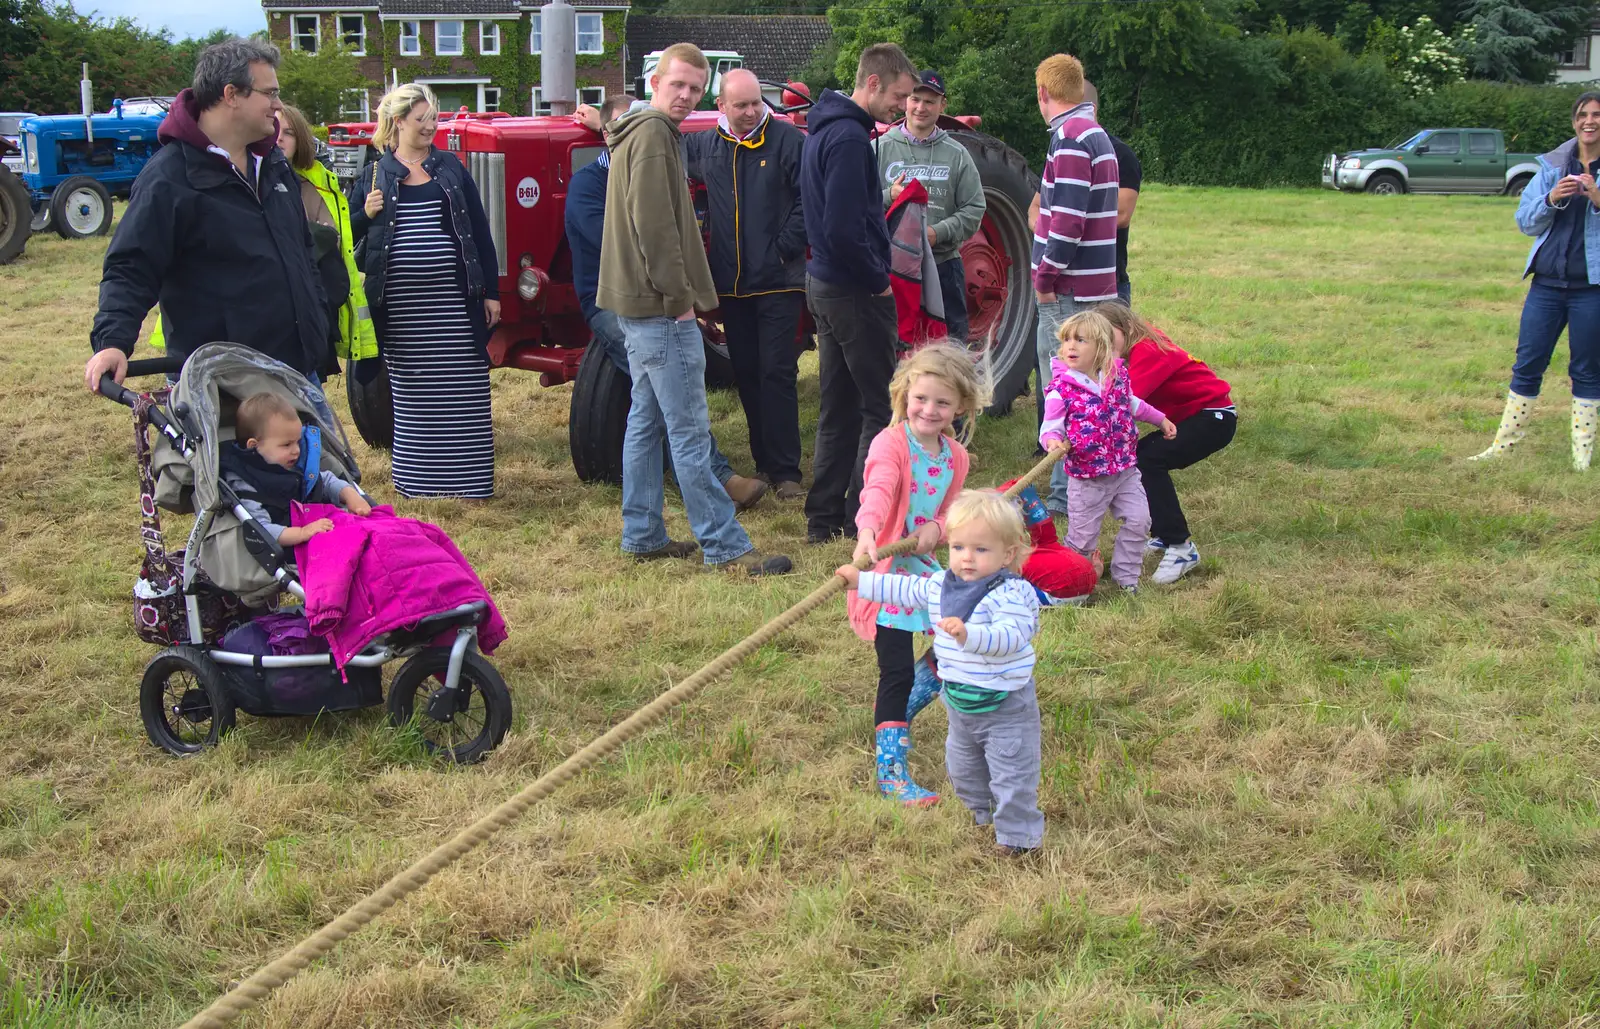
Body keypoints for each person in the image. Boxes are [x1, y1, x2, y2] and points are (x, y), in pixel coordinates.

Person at [597, 43, 791, 575]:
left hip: (633, 302)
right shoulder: (656, 134)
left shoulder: (631, 130)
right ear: (654, 81)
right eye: (677, 84)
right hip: (660, 306)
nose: (685, 95)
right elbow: (655, 228)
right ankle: (724, 544)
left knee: (647, 419)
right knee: (686, 426)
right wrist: (680, 300)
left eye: (694, 87)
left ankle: (642, 533)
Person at [84, 38, 329, 393]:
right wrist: (112, 341)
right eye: (270, 93)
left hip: (297, 373)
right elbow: (131, 267)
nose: (278, 105)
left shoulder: (274, 166)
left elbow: (304, 254)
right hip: (222, 384)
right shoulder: (169, 178)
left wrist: (316, 322)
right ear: (231, 94)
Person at [566, 97, 767, 511]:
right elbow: (626, 246)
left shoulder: (658, 165)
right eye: (624, 128)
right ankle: (718, 482)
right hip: (616, 300)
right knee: (672, 390)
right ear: (608, 136)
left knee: (653, 400)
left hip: (660, 297)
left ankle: (644, 522)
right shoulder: (589, 184)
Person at [838, 489, 1044, 857]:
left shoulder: (1010, 593)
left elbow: (1013, 637)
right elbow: (905, 588)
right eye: (958, 547)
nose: (967, 558)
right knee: (964, 768)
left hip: (1005, 706)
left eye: (981, 550)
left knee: (1012, 773)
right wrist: (861, 582)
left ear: (1007, 555)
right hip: (960, 704)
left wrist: (970, 635)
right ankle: (982, 816)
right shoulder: (942, 584)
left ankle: (1018, 839)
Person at [842, 343, 987, 805]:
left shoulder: (955, 457)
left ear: (960, 407)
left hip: (925, 573)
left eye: (942, 402)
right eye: (921, 398)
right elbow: (879, 489)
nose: (929, 409)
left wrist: (938, 528)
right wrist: (867, 532)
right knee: (897, 670)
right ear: (905, 394)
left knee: (957, 650)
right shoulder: (891, 443)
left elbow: (950, 514)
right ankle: (891, 770)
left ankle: (894, 715)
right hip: (887, 573)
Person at [350, 83, 501, 499]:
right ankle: (419, 482)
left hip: (454, 303)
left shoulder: (450, 167)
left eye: (434, 119)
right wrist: (366, 213)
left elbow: (480, 233)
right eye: (421, 121)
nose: (430, 127)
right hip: (402, 309)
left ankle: (471, 483)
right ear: (398, 122)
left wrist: (491, 292)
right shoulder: (374, 175)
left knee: (464, 388)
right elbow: (347, 234)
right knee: (416, 394)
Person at [800, 42, 920, 545]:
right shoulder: (849, 139)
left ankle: (823, 517)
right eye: (898, 95)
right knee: (881, 407)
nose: (901, 107)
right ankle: (862, 518)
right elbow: (845, 228)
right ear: (872, 83)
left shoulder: (824, 128)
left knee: (839, 406)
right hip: (852, 290)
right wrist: (877, 281)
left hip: (824, 284)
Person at [683, 69, 808, 500]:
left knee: (777, 371)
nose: (752, 110)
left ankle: (787, 470)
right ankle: (764, 464)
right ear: (721, 107)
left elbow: (808, 200)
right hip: (732, 286)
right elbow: (660, 137)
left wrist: (781, 249)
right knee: (748, 373)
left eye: (757, 102)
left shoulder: (788, 141)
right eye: (742, 104)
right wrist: (609, 119)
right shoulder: (703, 145)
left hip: (777, 281)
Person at [1472, 91, 1600, 470]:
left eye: (1596, 115)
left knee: (1587, 370)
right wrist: (1550, 197)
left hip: (1591, 290)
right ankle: (1503, 447)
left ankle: (1582, 456)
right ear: (1574, 121)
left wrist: (1597, 198)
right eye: (1583, 115)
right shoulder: (1552, 166)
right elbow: (1525, 221)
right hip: (1546, 285)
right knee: (1527, 364)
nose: (1589, 121)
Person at [1031, 54, 1119, 515]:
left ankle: (1065, 498)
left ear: (1043, 93)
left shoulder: (1067, 138)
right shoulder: (1098, 136)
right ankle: (1093, 489)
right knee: (1091, 391)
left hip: (1067, 290)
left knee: (1062, 395)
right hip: (1096, 285)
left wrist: (1045, 276)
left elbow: (1067, 219)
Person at [1097, 303, 1234, 585]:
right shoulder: (1137, 346)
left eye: (1109, 337)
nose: (1106, 346)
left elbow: (1122, 402)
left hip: (1213, 418)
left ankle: (1180, 546)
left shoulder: (1148, 350)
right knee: (1142, 458)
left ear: (1124, 328)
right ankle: (1163, 535)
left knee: (1149, 460)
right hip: (1196, 416)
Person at [1039, 310, 1174, 594]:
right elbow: (1050, 427)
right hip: (1088, 478)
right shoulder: (1060, 390)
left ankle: (1126, 578)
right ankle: (1075, 582)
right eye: (1066, 340)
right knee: (1082, 540)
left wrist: (1160, 419)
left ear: (1101, 347)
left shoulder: (1116, 377)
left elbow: (1133, 404)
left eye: (1080, 340)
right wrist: (1053, 442)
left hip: (1125, 470)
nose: (1070, 346)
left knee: (1140, 520)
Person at [878, 70, 986, 342]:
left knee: (949, 348)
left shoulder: (957, 154)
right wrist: (889, 195)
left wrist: (937, 233)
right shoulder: (879, 149)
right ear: (905, 101)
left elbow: (974, 208)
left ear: (942, 105)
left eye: (929, 101)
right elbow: (856, 201)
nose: (921, 108)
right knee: (894, 344)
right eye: (915, 99)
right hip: (892, 269)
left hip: (943, 266)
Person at [277, 104, 379, 373]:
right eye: (275, 129)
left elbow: (332, 241)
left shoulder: (320, 182)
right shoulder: (247, 178)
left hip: (313, 306)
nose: (279, 138)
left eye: (288, 132)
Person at [1029, 81, 1141, 306]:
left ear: (1091, 109)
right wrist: (1055, 234)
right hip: (1062, 277)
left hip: (1105, 281)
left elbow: (1120, 214)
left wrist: (1061, 228)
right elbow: (1036, 207)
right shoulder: (1063, 145)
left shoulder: (1121, 155)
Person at [221, 392, 372, 548]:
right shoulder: (246, 484)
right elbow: (261, 529)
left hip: (324, 526)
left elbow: (324, 480)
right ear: (254, 446)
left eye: (298, 442)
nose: (296, 450)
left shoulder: (290, 463)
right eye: (286, 445)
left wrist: (349, 493)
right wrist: (302, 533)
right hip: (294, 548)